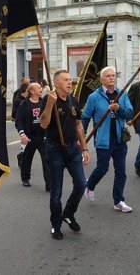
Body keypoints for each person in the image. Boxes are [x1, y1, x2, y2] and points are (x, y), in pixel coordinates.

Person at [40, 69, 90, 241]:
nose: (70, 82)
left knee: (81, 184)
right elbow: (44, 124)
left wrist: (84, 149)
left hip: (72, 150)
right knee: (56, 192)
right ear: (56, 83)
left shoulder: (73, 100)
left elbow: (78, 126)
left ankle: (68, 213)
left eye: (70, 79)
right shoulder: (49, 99)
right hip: (55, 151)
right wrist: (49, 105)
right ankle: (56, 225)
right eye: (66, 80)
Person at [82, 67, 134, 213]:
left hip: (119, 139)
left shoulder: (121, 95)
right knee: (102, 168)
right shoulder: (94, 97)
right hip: (103, 140)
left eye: (113, 75)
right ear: (101, 79)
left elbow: (130, 113)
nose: (112, 78)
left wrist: (119, 109)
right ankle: (90, 186)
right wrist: (82, 139)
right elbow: (85, 118)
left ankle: (118, 201)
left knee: (121, 171)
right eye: (108, 76)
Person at [15, 82, 51, 190]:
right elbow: (19, 120)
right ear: (32, 91)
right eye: (39, 88)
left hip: (42, 137)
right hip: (29, 137)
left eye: (41, 87)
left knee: (47, 160)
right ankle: (25, 178)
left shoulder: (43, 102)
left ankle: (49, 184)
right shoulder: (24, 104)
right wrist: (22, 134)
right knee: (26, 158)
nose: (41, 89)